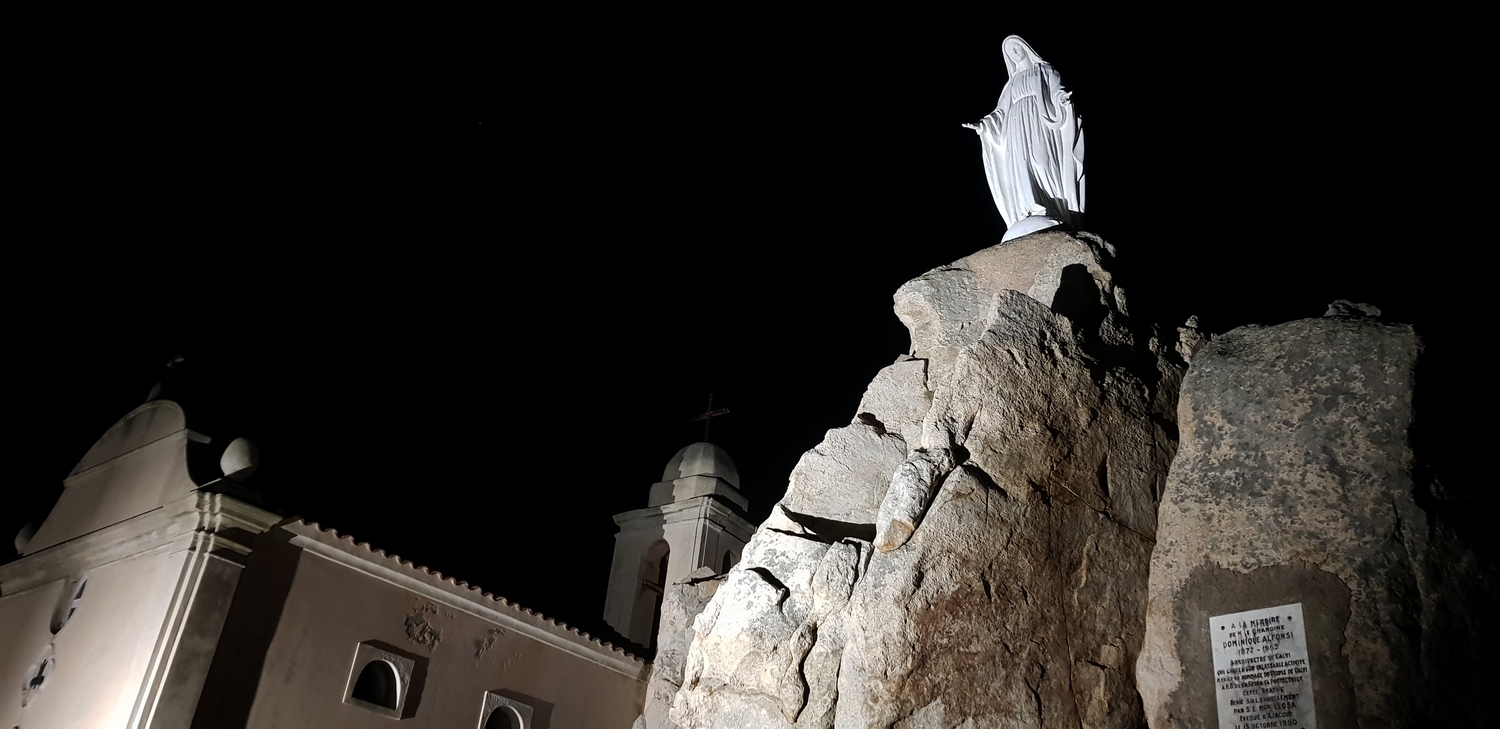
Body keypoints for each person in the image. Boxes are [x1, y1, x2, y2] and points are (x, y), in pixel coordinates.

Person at [962, 35, 1085, 241]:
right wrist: (983, 125)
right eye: (1009, 51)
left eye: (1016, 47)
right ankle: (1031, 209)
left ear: (1026, 48)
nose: (1014, 52)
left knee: (1042, 162)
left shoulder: (1044, 70)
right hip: (1016, 128)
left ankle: (1055, 208)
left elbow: (1056, 90)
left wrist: (1062, 99)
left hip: (1039, 123)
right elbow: (1000, 112)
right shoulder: (1011, 84)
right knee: (1022, 167)